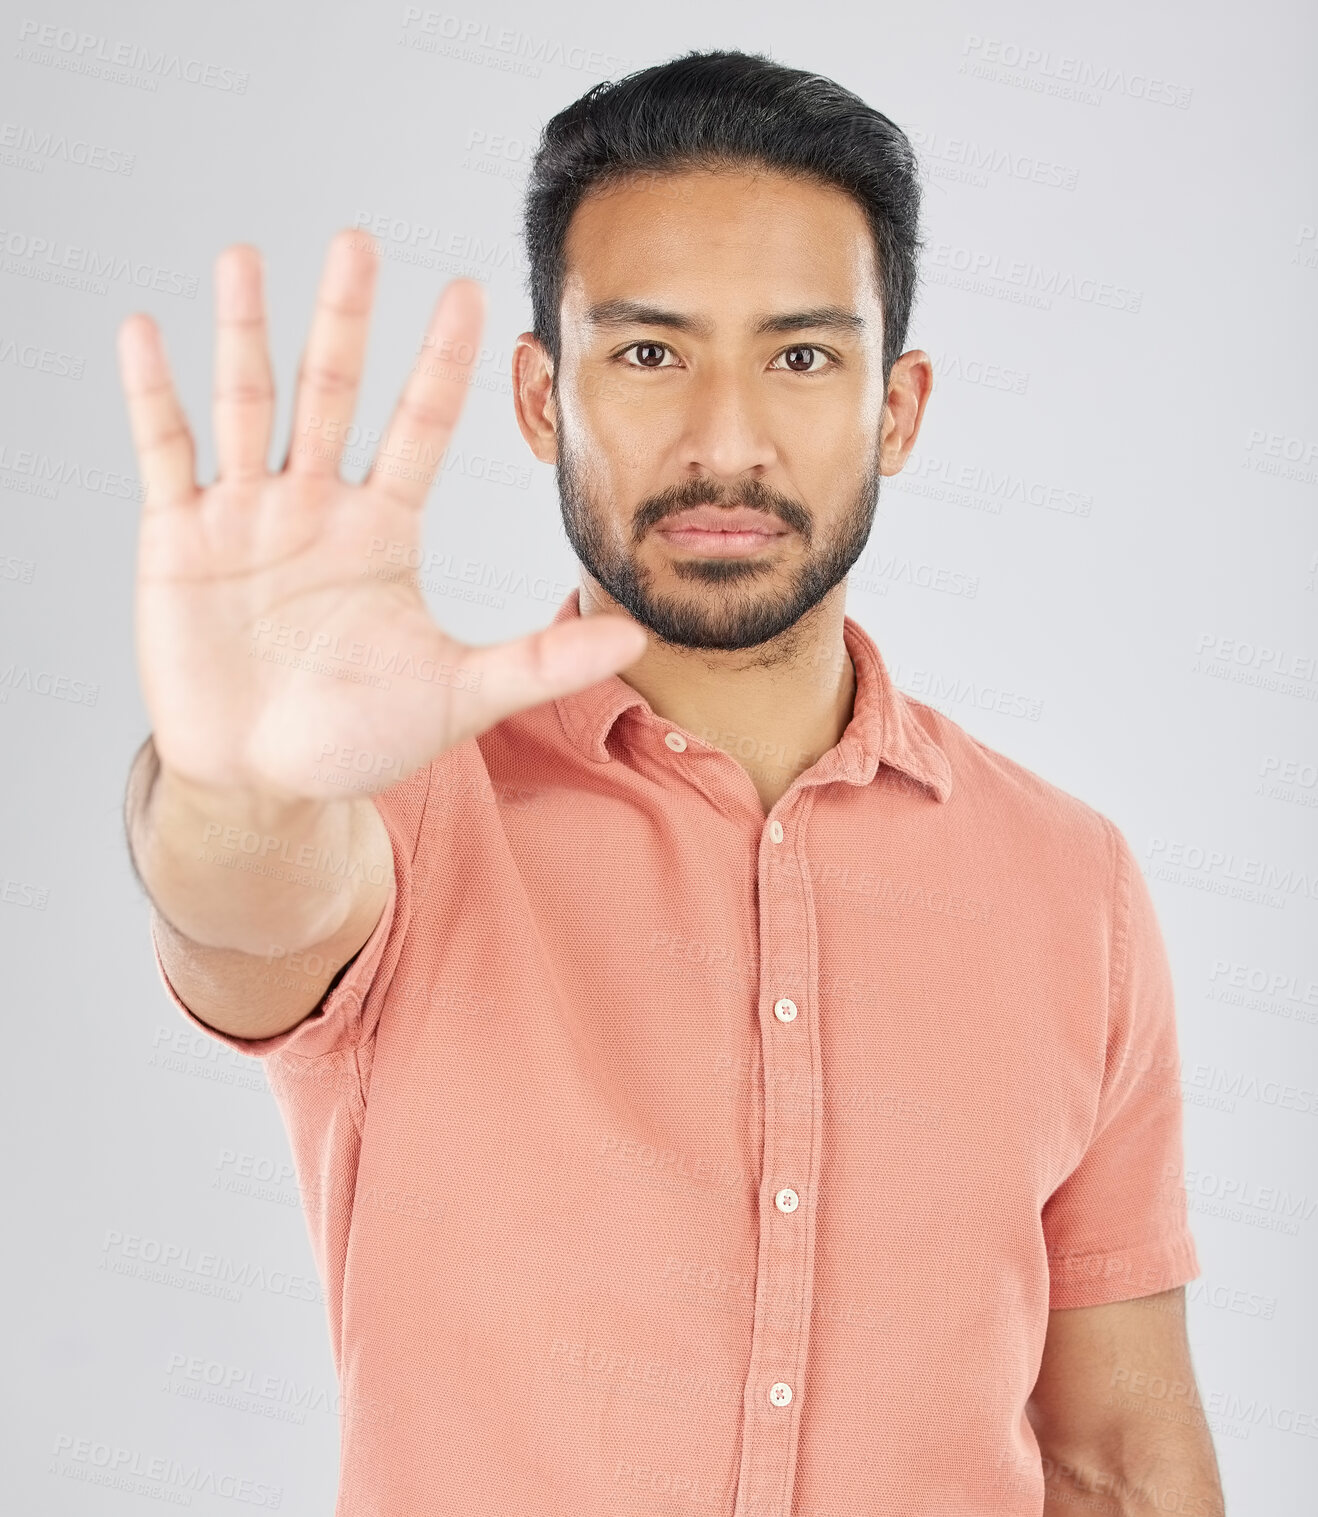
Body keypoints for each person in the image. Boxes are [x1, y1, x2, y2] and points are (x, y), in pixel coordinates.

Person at [119, 48, 1224, 1517]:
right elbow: (243, 906)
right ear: (538, 394)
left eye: (800, 355)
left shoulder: (1069, 879)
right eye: (647, 353)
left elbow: (1117, 1459)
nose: (725, 440)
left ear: (896, 408)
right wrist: (235, 779)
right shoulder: (404, 813)